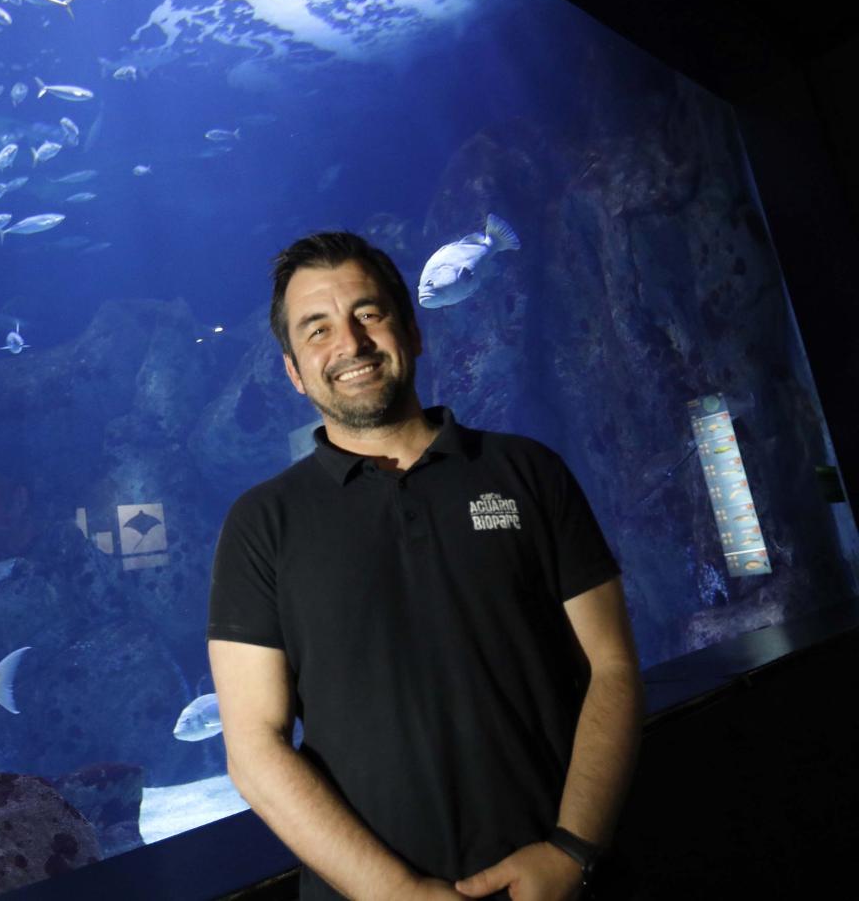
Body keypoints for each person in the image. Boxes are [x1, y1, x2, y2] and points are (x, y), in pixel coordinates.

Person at [207, 231, 644, 901]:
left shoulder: (526, 472)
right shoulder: (261, 525)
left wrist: (572, 850)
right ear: (293, 370)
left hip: (557, 883)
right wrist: (397, 893)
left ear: (413, 332)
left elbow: (611, 665)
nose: (349, 345)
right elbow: (254, 750)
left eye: (368, 314)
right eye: (316, 329)